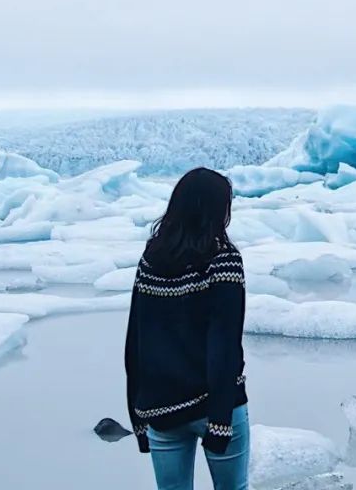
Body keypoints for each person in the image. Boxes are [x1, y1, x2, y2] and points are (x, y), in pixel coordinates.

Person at [125, 167, 249, 490]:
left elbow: (135, 340)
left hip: (161, 406)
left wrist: (137, 413)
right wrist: (221, 420)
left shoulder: (150, 261)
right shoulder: (224, 261)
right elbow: (223, 343)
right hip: (215, 405)